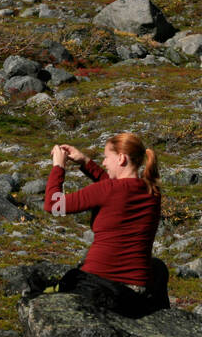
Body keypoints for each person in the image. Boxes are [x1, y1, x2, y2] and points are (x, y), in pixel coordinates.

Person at [37, 132, 169, 317]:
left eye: (107, 157)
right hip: (137, 293)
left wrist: (59, 166)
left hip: (102, 286)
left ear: (121, 158)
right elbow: (119, 191)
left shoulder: (108, 190)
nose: (105, 163)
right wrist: (85, 161)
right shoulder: (152, 192)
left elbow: (54, 205)